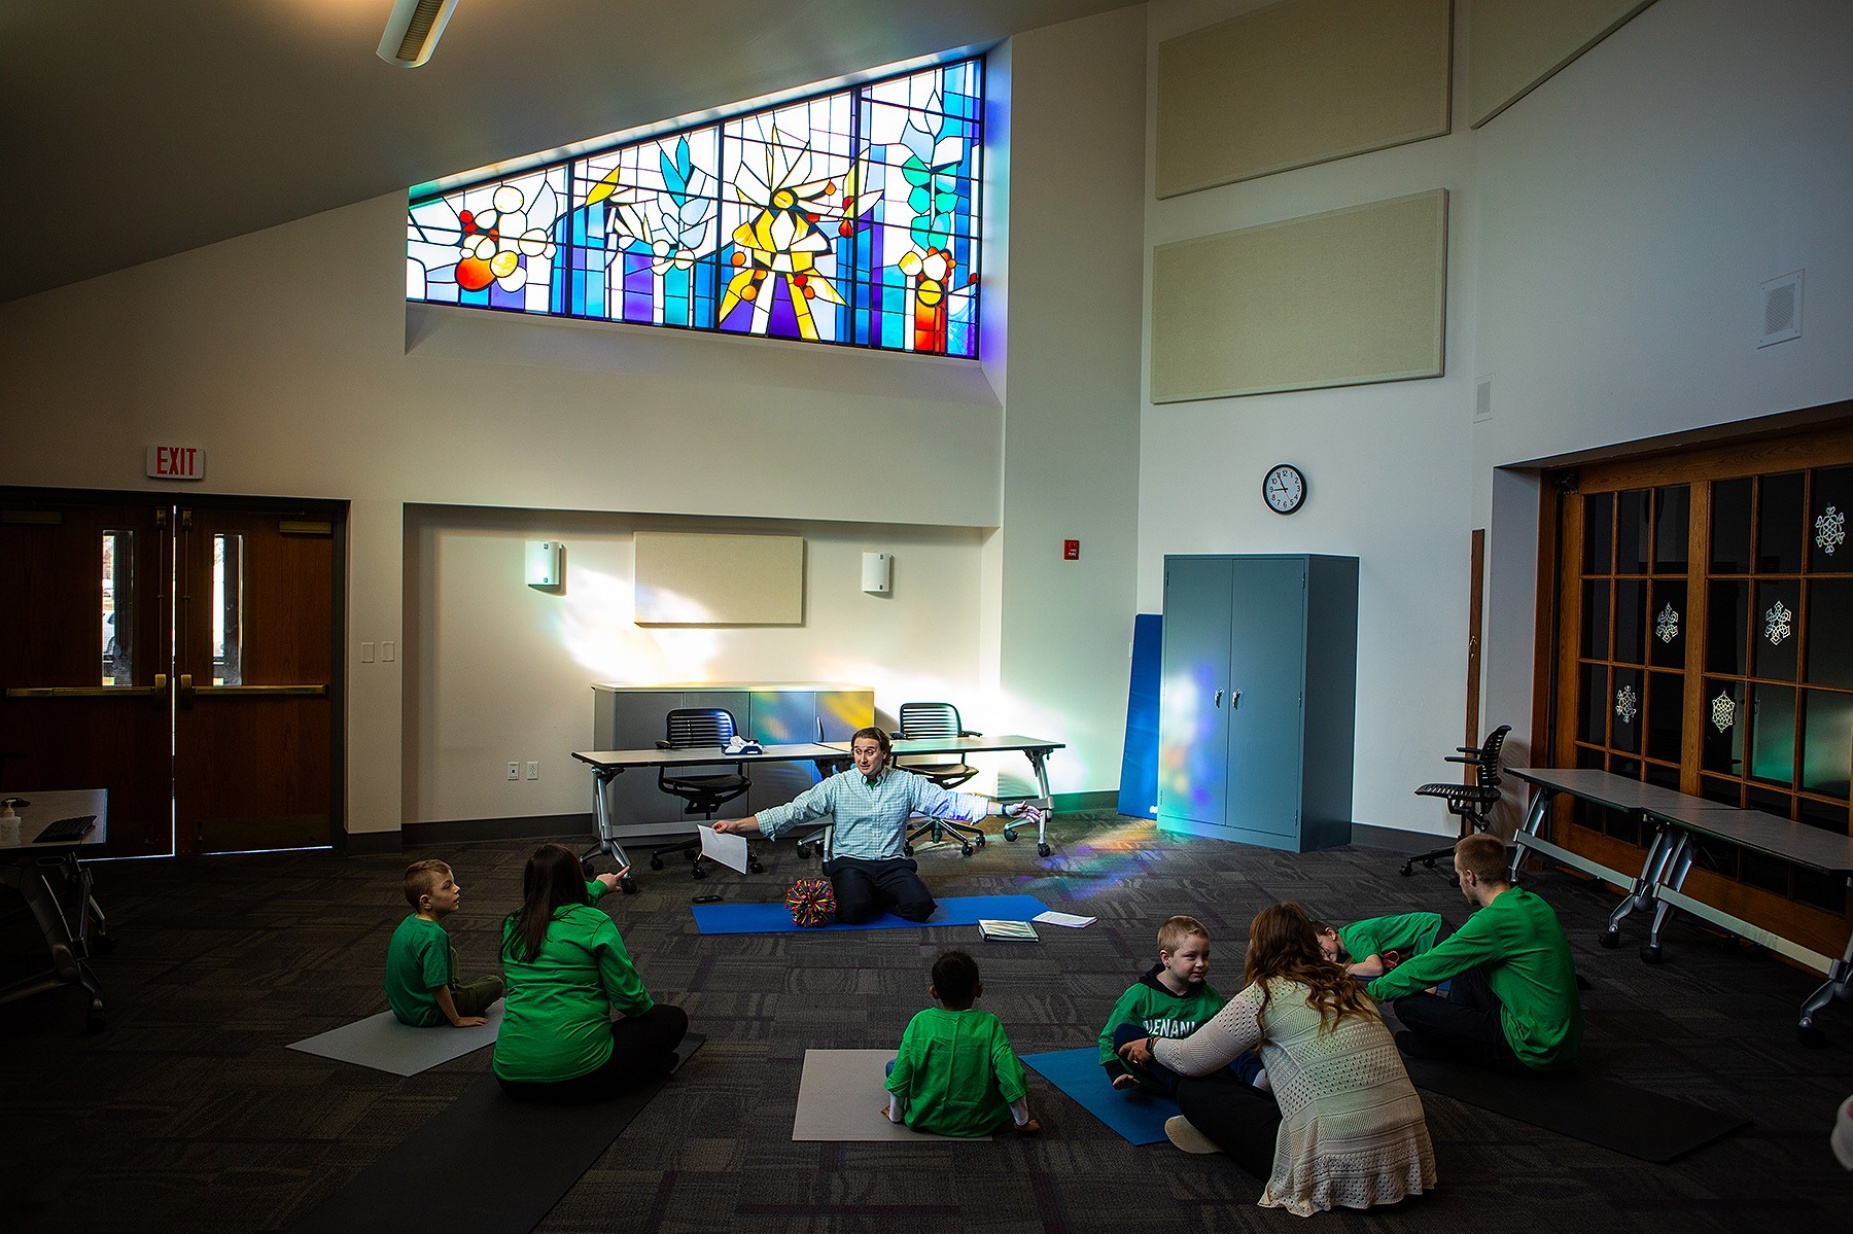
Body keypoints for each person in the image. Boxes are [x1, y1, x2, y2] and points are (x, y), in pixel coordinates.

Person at [1120, 902, 1435, 1217]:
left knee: (1193, 1088)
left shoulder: (1264, 994)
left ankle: (1224, 1135)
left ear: (1258, 947)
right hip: (1406, 1154)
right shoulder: (1352, 987)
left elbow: (1190, 1059)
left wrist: (1152, 1042)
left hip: (1331, 1164)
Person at [712, 726, 1042, 924]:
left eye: (870, 751)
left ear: (884, 753)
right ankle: (863, 896)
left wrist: (1007, 808)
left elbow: (953, 804)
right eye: (857, 752)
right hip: (850, 863)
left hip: (891, 864)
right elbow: (792, 812)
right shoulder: (838, 785)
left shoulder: (907, 783)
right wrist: (737, 826)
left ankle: (877, 895)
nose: (863, 759)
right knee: (855, 911)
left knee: (922, 908)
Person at [1365, 833, 1583, 1074]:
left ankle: (1455, 1047)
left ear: (1470, 876)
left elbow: (1430, 965)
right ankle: (1456, 1040)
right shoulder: (1531, 902)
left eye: (1459, 875)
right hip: (1563, 1040)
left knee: (1408, 1005)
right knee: (1466, 962)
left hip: (1535, 1049)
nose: (1459, 882)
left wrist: (1368, 993)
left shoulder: (1493, 922)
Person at [492, 843, 688, 1103]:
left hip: (510, 1079)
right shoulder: (595, 924)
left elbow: (554, 902)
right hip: (579, 1076)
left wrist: (598, 887)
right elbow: (631, 1002)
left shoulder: (513, 924)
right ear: (576, 880)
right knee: (671, 1019)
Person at [1098, 914, 1264, 1094]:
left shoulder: (1210, 998)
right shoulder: (1139, 995)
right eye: (1191, 957)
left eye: (1205, 956)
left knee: (1232, 1043)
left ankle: (1257, 1078)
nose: (1201, 964)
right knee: (1124, 1032)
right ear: (1166, 958)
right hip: (1156, 1071)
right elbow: (1108, 1037)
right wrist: (1117, 1071)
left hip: (1195, 1067)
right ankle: (1184, 1088)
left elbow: (1230, 1037)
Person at [884, 949, 1039, 1136]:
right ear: (979, 990)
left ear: (933, 992)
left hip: (925, 1118)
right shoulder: (989, 1024)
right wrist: (1022, 1122)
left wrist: (895, 1116)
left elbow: (902, 1073)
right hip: (981, 1122)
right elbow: (1009, 1075)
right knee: (1000, 1074)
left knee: (892, 1066)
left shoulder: (920, 1021)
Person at [384, 859, 504, 1028]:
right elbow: (438, 987)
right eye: (447, 886)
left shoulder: (408, 923)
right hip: (428, 1013)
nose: (457, 889)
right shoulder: (435, 936)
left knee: (450, 952)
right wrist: (457, 1019)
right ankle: (454, 998)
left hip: (404, 1009)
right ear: (426, 902)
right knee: (494, 983)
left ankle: (453, 988)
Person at [1312, 911, 1447, 979]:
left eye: (1320, 945)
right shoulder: (1346, 937)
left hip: (1431, 931)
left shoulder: (1354, 939)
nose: (1322, 953)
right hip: (1424, 931)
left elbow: (1376, 968)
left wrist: (1340, 968)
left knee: (1425, 985)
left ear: (1330, 933)